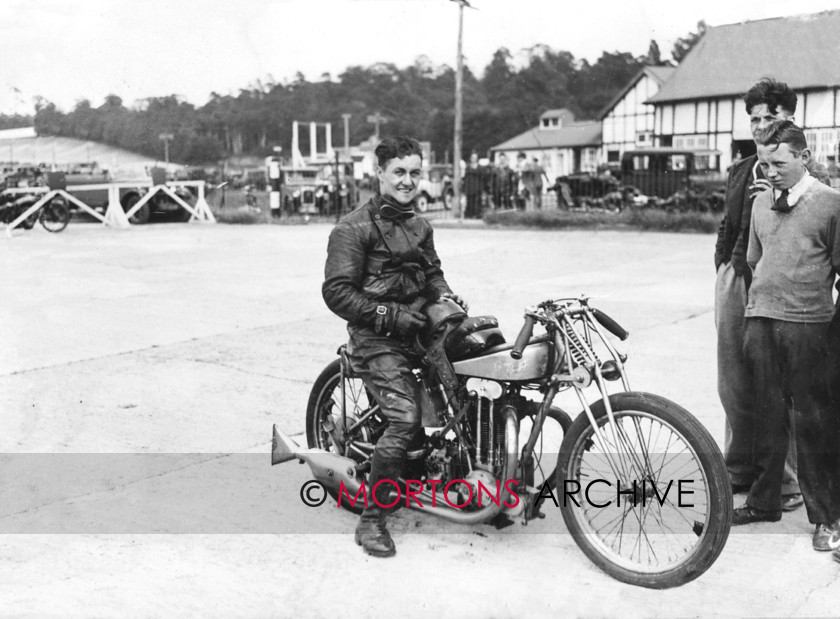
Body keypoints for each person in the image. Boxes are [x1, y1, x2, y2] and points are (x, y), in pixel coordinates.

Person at [322, 136, 468, 558]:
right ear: (380, 172)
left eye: (415, 173)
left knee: (465, 398)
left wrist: (447, 297)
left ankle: (471, 483)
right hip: (375, 337)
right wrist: (389, 315)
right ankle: (372, 520)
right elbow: (337, 292)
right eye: (399, 172)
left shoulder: (420, 226)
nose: (408, 181)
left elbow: (434, 275)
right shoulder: (352, 227)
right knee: (404, 420)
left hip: (420, 329)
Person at [733, 120, 840, 553]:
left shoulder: (832, 205)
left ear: (804, 157)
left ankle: (827, 518)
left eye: (779, 163)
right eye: (763, 164)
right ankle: (764, 502)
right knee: (764, 415)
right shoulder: (760, 203)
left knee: (813, 421)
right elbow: (756, 260)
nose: (770, 172)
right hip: (760, 320)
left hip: (809, 325)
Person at [714, 78, 805, 511]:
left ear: (789, 118)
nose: (762, 125)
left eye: (772, 116)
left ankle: (785, 482)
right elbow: (727, 224)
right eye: (755, 118)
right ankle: (739, 469)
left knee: (778, 385)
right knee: (733, 380)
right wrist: (723, 267)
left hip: (780, 286)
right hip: (736, 279)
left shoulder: (804, 172)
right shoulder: (740, 168)